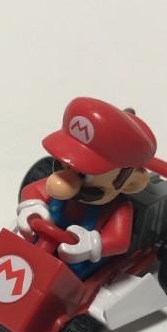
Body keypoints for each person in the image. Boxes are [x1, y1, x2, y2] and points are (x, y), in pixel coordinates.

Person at [17, 97, 155, 279]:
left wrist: (91, 244)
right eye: (62, 165)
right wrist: (32, 206)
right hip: (39, 244)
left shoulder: (118, 209)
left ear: (131, 183)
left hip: (78, 266)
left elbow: (119, 241)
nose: (61, 182)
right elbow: (33, 190)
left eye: (83, 175)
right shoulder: (58, 186)